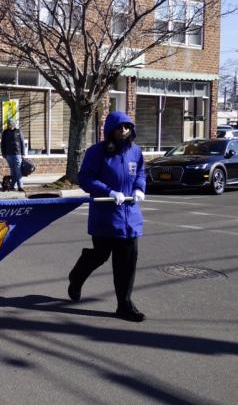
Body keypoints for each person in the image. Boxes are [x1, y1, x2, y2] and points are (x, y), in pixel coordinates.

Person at [67, 111, 147, 322]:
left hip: (130, 218)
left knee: (126, 263)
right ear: (110, 130)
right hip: (106, 215)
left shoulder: (136, 152)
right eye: (119, 127)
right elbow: (85, 178)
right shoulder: (97, 152)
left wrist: (139, 188)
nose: (123, 131)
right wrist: (109, 192)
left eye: (127, 127)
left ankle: (124, 304)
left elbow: (140, 173)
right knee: (101, 254)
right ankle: (77, 277)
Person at [0, 118, 26, 191]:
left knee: (17, 170)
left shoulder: (18, 131)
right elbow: (3, 143)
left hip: (17, 154)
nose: (10, 126)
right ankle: (12, 186)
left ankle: (20, 186)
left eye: (11, 124)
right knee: (12, 170)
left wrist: (23, 153)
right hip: (8, 154)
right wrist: (3, 153)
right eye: (9, 124)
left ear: (14, 124)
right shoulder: (5, 132)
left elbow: (22, 143)